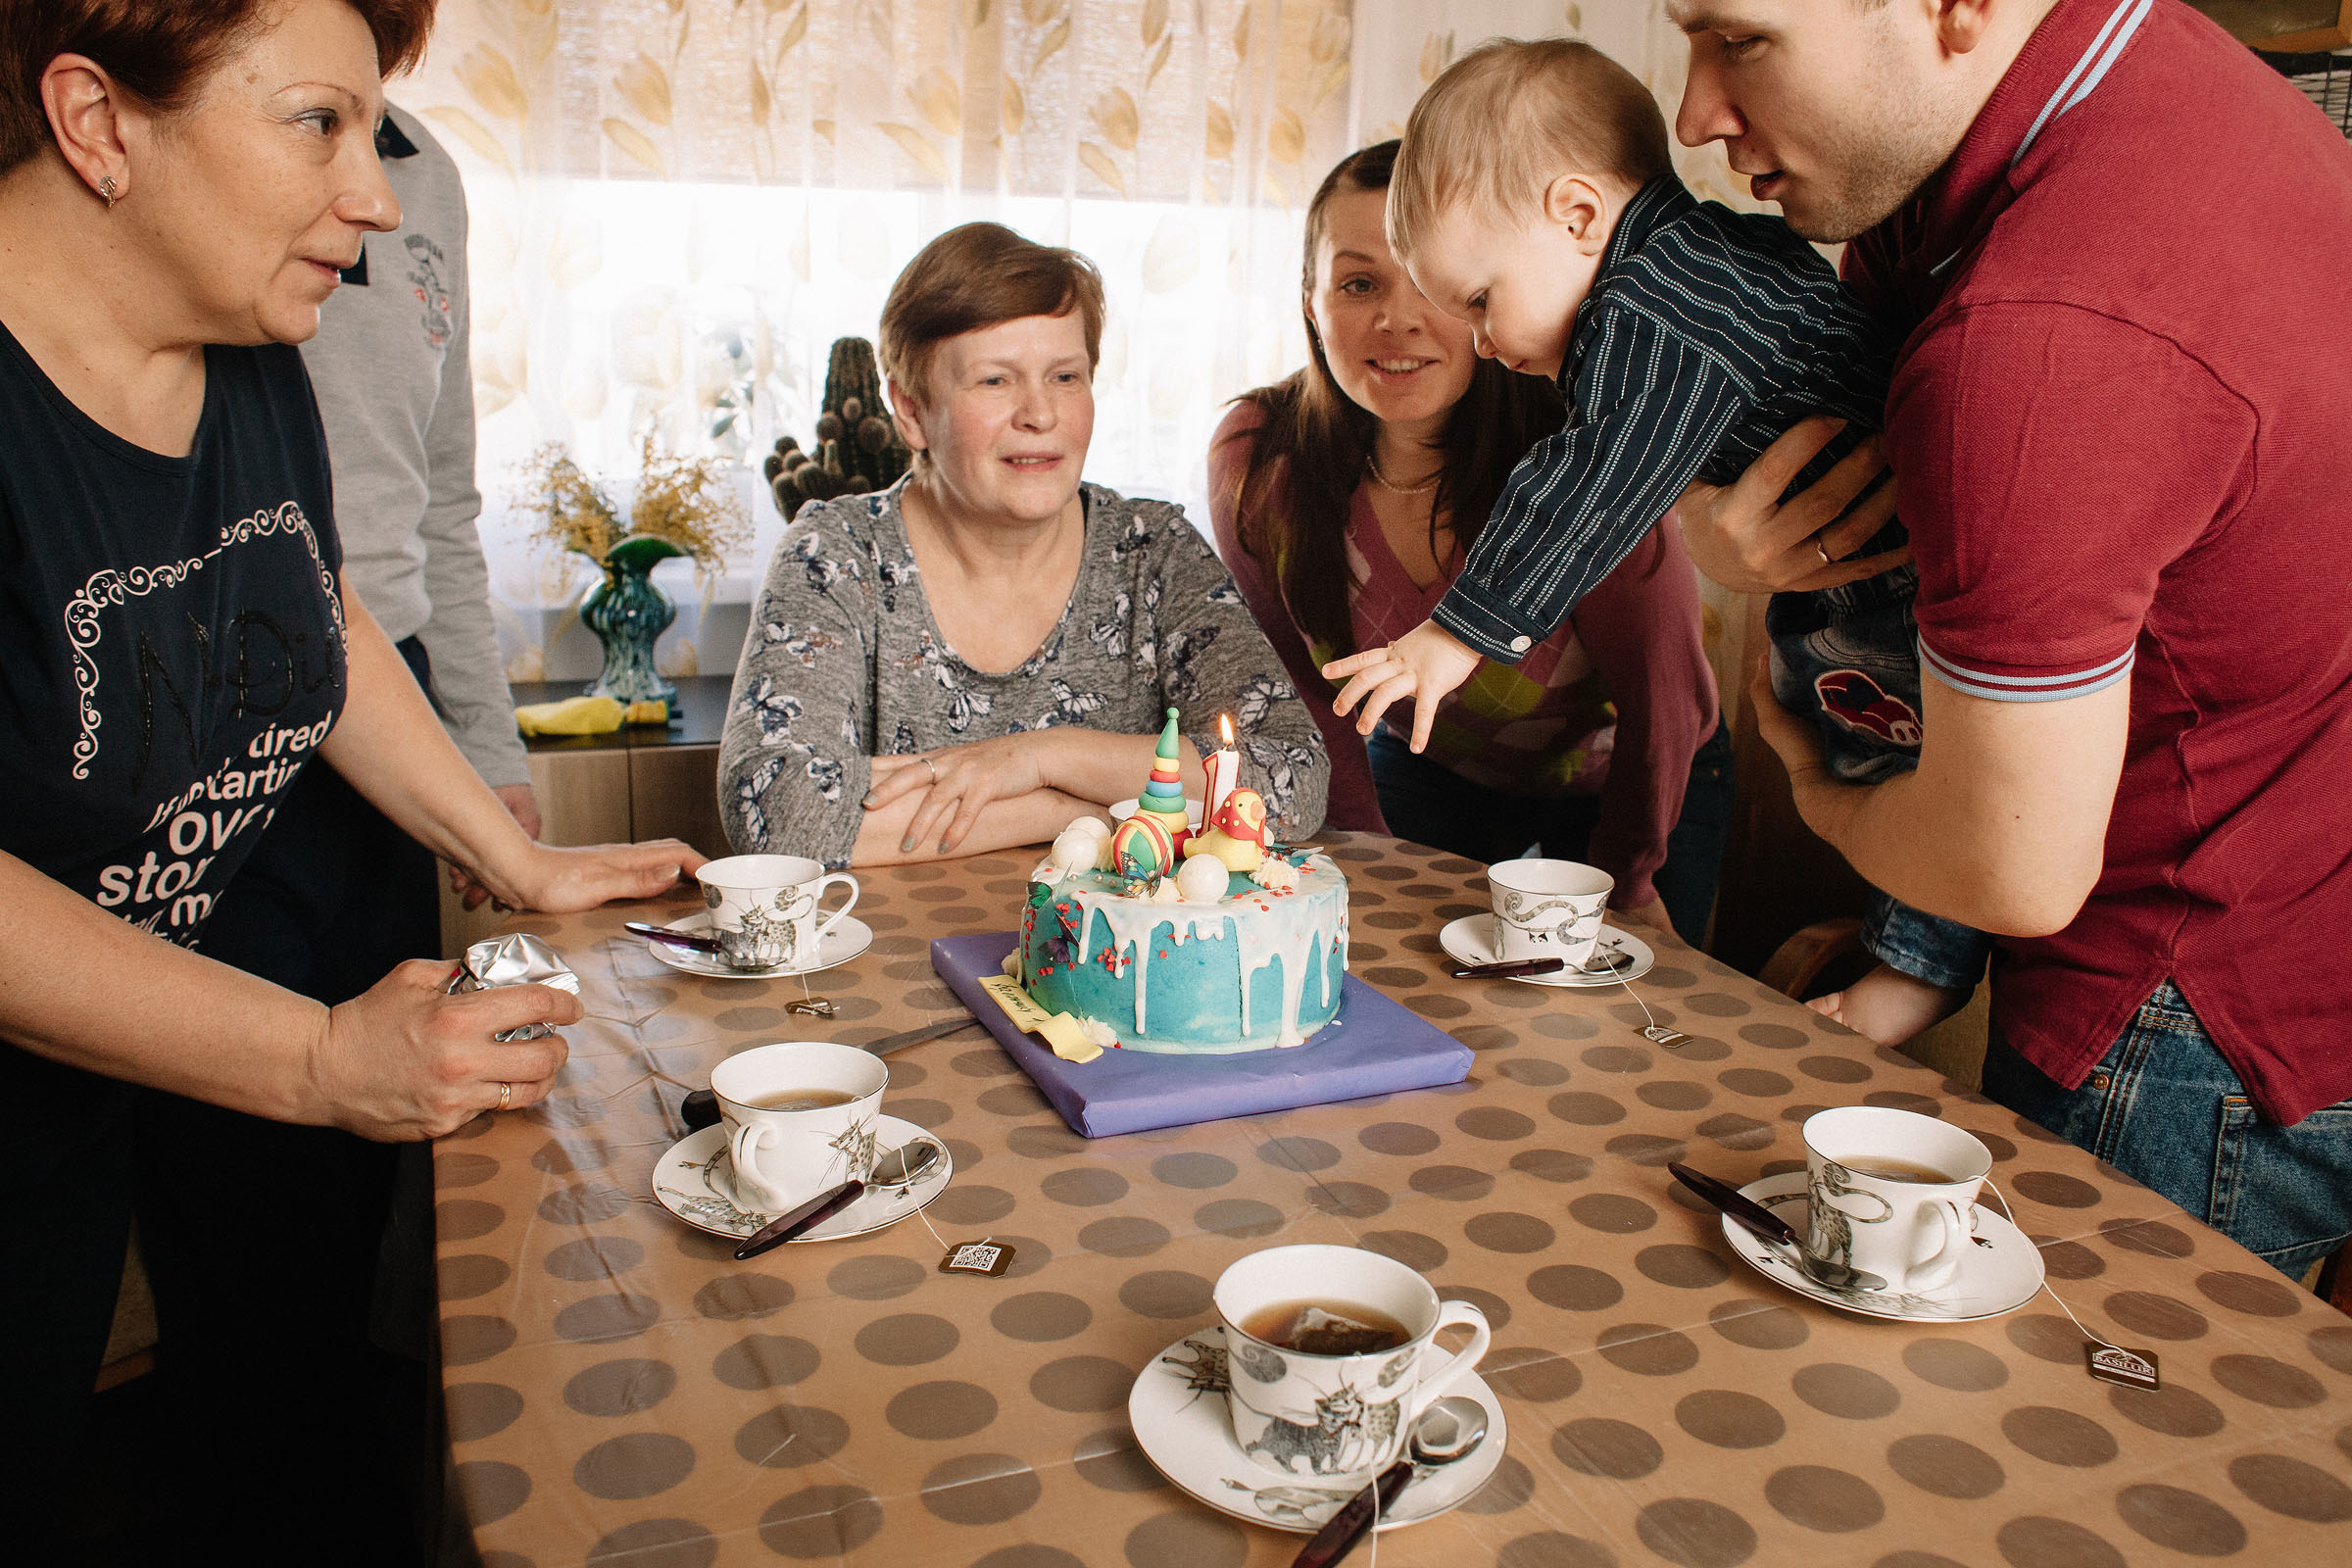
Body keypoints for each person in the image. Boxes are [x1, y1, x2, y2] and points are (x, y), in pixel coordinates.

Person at [0, 0, 700, 1544]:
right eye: (316, 123)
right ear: (98, 122)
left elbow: (310, 612)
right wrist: (321, 1060)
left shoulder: (247, 358)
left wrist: (516, 859)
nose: (377, 198)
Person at [1666, 0, 2352, 1277]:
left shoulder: (2040, 337)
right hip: (2287, 895)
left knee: (2074, 1404)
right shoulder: (2141, 71)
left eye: (1741, 39)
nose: (1693, 112)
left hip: (2181, 1009)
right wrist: (1719, 525)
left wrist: (1820, 794)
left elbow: (2008, 866)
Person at [1318, 42, 1987, 997]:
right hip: (1867, 574)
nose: (1484, 343)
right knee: (1877, 750)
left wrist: (1457, 633)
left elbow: (1590, 475)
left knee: (1912, 771)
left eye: (1480, 301)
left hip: (1905, 588)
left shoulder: (1650, 316)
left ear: (1578, 216)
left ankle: (1917, 972)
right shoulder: (1710, 258)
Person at [126, 101, 535, 1555]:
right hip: (193, 709)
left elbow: (376, 560)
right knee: (244, 1212)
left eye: (367, 123)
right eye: (315, 124)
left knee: (395, 1190)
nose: (367, 199)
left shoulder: (412, 196)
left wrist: (490, 786)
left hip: (379, 706)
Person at [1210, 139, 1729, 944]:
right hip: (1436, 768)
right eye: (1358, 284)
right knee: (1393, 962)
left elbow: (1664, 701)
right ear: (1310, 301)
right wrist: (1366, 856)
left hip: (1640, 782)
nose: (1398, 319)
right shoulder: (1260, 459)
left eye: (1429, 283)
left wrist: (1629, 878)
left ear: (1482, 296)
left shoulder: (1587, 458)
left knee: (1608, 1000)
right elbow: (1306, 696)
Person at [719, 221, 1329, 867]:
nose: (1040, 414)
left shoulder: (1156, 551)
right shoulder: (835, 554)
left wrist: (1040, 757)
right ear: (911, 409)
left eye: (1065, 376)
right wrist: (1085, 813)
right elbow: (779, 813)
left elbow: (1293, 779)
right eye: (995, 381)